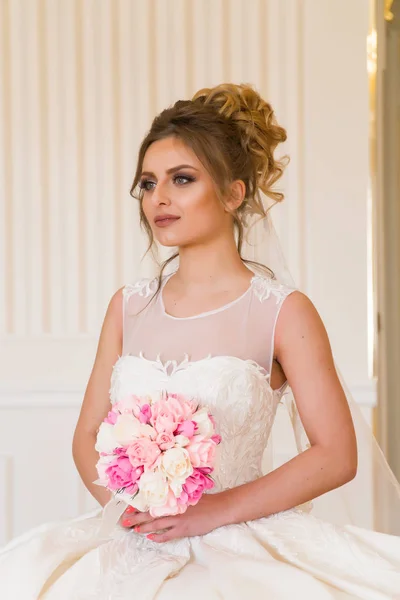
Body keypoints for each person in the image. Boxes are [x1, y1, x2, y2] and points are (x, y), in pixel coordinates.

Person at [1, 83, 400, 600]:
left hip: (235, 540)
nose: (158, 198)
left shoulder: (283, 312)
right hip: (133, 538)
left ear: (234, 193)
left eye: (181, 179)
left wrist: (215, 510)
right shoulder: (129, 306)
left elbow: (337, 455)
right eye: (147, 184)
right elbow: (87, 436)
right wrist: (126, 511)